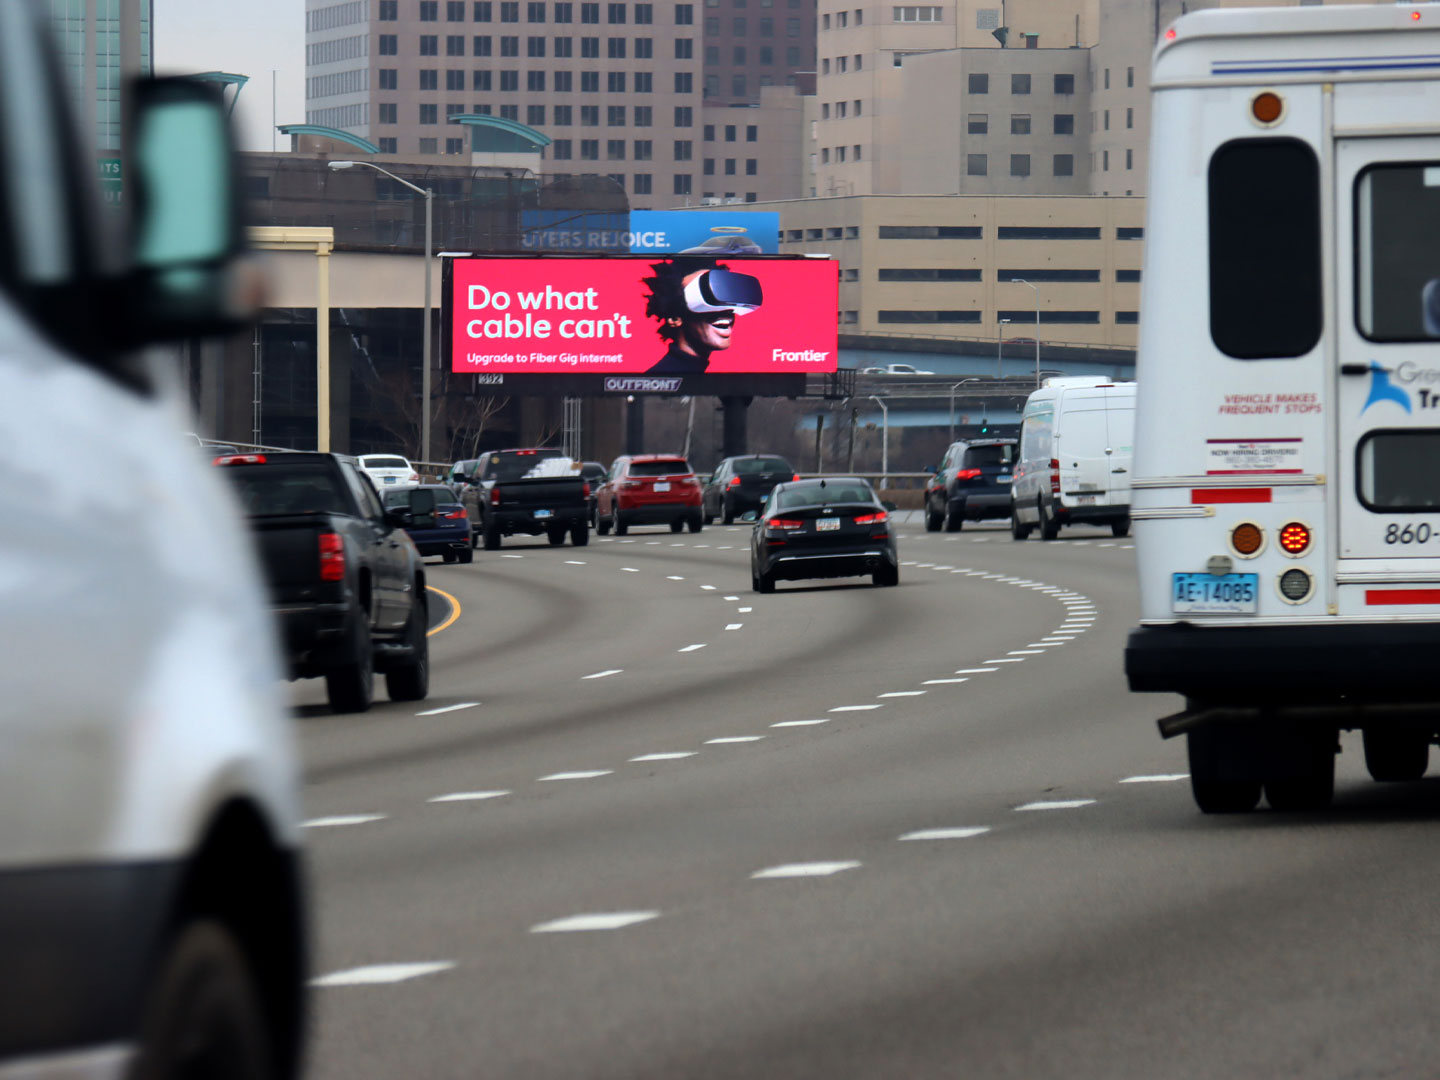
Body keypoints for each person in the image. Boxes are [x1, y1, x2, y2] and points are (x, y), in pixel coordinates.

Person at [642, 258, 763, 374]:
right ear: (674, 318)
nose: (726, 311)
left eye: (721, 293)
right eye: (706, 295)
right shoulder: (661, 381)